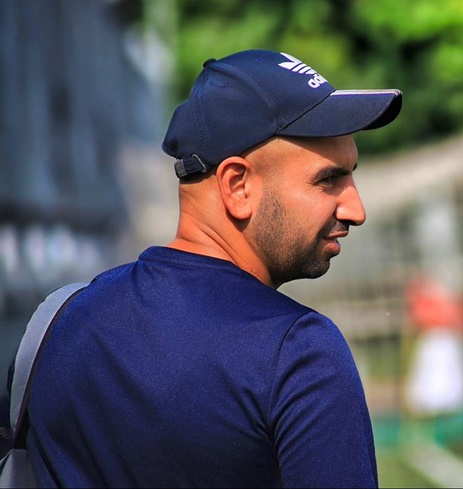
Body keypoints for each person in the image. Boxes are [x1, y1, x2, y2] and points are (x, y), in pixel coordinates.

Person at [20, 49, 402, 488]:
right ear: (238, 186)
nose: (356, 210)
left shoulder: (58, 325)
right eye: (329, 179)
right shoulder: (300, 354)